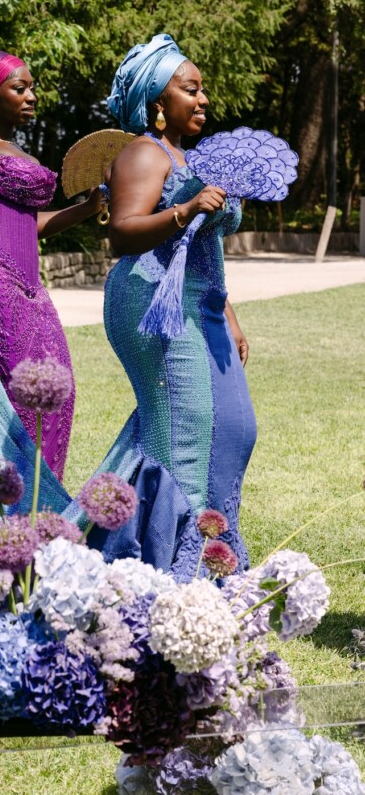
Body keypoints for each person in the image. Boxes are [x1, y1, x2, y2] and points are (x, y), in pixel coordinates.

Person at [101, 33, 256, 576]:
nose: (203, 98)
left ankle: (208, 556)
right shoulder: (143, 152)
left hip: (202, 306)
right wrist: (186, 207)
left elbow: (204, 249)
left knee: (236, 426)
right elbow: (121, 233)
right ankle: (173, 571)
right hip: (152, 303)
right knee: (187, 433)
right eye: (190, 89)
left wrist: (227, 312)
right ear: (157, 104)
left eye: (203, 89)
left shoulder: (189, 156)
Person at [0, 46, 103, 479]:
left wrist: (87, 209)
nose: (31, 96)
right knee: (23, 401)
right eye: (20, 88)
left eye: (32, 88)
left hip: (29, 289)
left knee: (55, 394)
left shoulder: (9, 147)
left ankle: (39, 507)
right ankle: (8, 511)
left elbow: (31, 226)